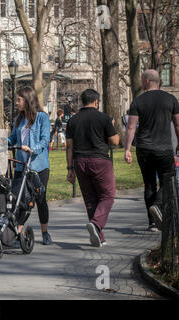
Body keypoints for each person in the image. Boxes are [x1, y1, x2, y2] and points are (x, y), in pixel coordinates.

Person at [0, 86, 52, 245]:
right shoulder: (18, 119)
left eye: (19, 99)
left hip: (38, 167)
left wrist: (33, 149)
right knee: (18, 199)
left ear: (27, 100)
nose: (16, 102)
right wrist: (4, 142)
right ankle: (17, 232)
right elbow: (13, 138)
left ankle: (45, 232)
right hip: (20, 166)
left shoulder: (42, 118)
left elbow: (45, 140)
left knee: (40, 199)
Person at [124, 69, 179, 232]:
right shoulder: (171, 99)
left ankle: (152, 223)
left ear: (147, 81)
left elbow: (131, 127)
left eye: (142, 79)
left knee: (149, 185)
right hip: (164, 148)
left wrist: (127, 149)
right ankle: (158, 206)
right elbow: (177, 124)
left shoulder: (138, 101)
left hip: (144, 148)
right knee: (167, 182)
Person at [65, 89, 119, 247]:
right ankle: (96, 224)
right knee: (107, 196)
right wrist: (111, 126)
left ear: (82, 102)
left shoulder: (73, 120)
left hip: (80, 162)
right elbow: (115, 141)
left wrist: (70, 169)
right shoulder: (103, 118)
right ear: (96, 102)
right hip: (100, 161)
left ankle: (99, 237)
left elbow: (69, 146)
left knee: (90, 200)